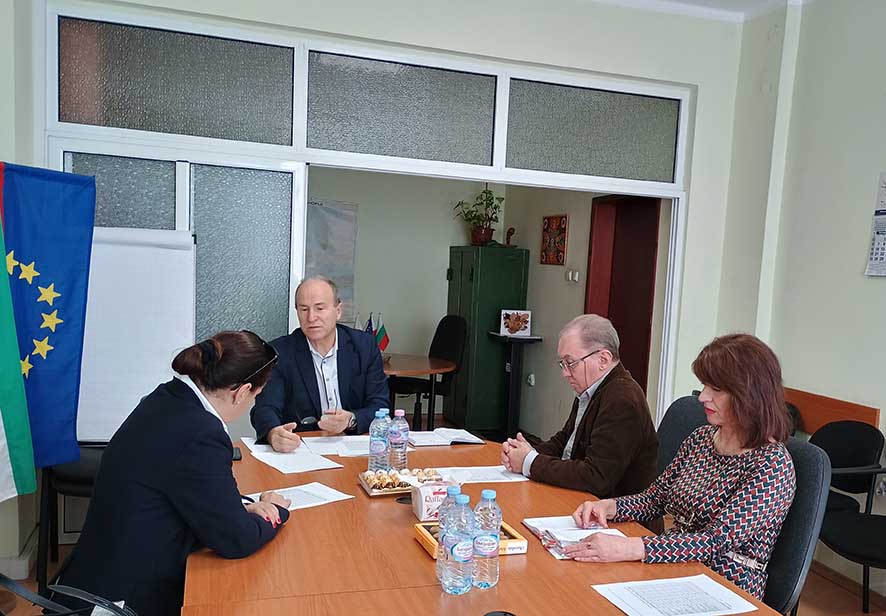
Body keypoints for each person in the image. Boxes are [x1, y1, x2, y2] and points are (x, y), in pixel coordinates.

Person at [57, 331, 292, 616]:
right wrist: (275, 511)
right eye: (256, 396)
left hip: (97, 575)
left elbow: (185, 488)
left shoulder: (168, 398)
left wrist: (242, 507)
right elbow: (236, 540)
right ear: (241, 392)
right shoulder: (201, 433)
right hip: (124, 599)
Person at [566, 333, 796, 600]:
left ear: (750, 395)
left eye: (716, 389)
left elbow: (714, 541)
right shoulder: (701, 438)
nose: (702, 397)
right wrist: (609, 507)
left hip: (725, 584)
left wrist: (628, 548)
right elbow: (655, 499)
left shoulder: (771, 465)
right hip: (676, 563)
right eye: (704, 385)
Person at [501, 314, 658, 498]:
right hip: (581, 499)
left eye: (571, 363)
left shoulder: (622, 401)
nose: (565, 373)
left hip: (614, 510)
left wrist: (530, 462)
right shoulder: (592, 389)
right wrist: (524, 452)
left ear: (603, 360)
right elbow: (565, 441)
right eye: (563, 364)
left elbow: (596, 477)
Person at [250, 276, 389, 452]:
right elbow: (265, 408)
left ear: (338, 310)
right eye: (304, 309)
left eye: (320, 308)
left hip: (353, 446)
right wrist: (273, 433)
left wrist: (351, 419)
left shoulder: (364, 346)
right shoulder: (279, 352)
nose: (311, 317)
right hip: (301, 448)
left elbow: (380, 405)